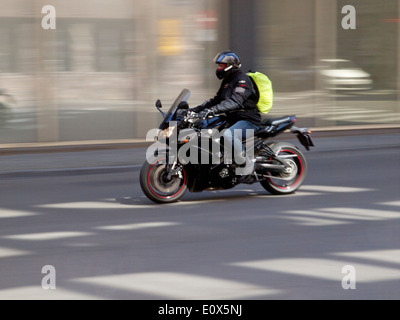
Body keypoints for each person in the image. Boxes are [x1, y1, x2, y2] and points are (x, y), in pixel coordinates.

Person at [190, 50, 260, 176]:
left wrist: (213, 111)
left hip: (248, 120)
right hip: (232, 119)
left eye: (221, 65)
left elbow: (235, 101)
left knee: (228, 135)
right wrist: (194, 110)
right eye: (218, 66)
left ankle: (247, 165)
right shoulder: (227, 82)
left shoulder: (242, 80)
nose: (218, 68)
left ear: (230, 66)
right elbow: (215, 100)